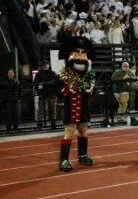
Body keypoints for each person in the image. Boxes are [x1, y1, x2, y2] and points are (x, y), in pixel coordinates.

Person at [55, 37, 96, 172]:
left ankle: (83, 155)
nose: (80, 56)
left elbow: (92, 92)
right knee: (69, 132)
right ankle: (64, 160)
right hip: (70, 108)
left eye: (83, 53)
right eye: (76, 52)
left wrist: (88, 88)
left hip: (83, 108)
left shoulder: (88, 76)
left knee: (83, 130)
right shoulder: (63, 75)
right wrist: (68, 88)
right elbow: (57, 91)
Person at [34, 61, 58, 130]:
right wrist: (39, 92)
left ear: (49, 65)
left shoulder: (53, 73)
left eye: (46, 65)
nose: (45, 66)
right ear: (41, 66)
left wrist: (54, 91)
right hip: (42, 95)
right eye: (43, 65)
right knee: (40, 110)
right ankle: (40, 125)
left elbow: (56, 83)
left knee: (52, 109)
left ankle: (53, 125)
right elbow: (35, 84)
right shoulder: (38, 74)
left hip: (52, 94)